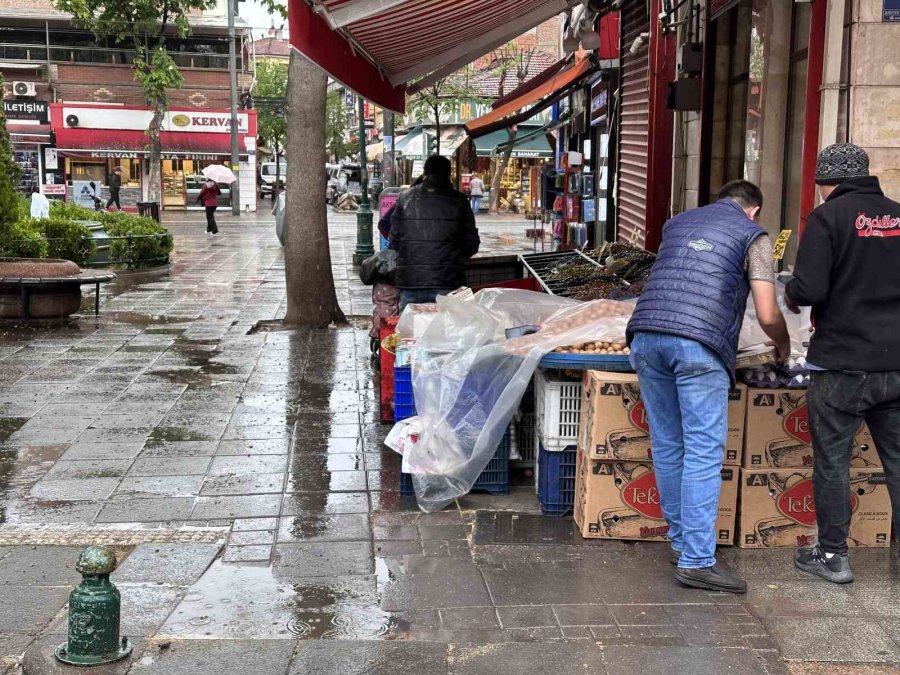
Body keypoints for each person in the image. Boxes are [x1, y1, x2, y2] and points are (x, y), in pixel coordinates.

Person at [626, 179, 791, 594]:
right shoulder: (754, 235)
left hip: (644, 335)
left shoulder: (677, 223)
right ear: (753, 209)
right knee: (702, 449)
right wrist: (783, 345)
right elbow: (767, 313)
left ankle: (682, 543)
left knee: (668, 443)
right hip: (698, 345)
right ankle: (698, 561)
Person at [785, 144, 900, 584]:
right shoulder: (897, 214)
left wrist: (790, 291)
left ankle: (832, 555)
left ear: (824, 183)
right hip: (896, 362)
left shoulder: (828, 217)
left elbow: (810, 288)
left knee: (833, 461)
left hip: (842, 364)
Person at [389, 156, 480, 312]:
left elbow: (394, 239)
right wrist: (454, 260)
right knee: (447, 325)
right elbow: (472, 243)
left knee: (410, 325)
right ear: (449, 174)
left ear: (425, 172)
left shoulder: (405, 198)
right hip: (448, 280)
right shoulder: (460, 200)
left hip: (411, 280)